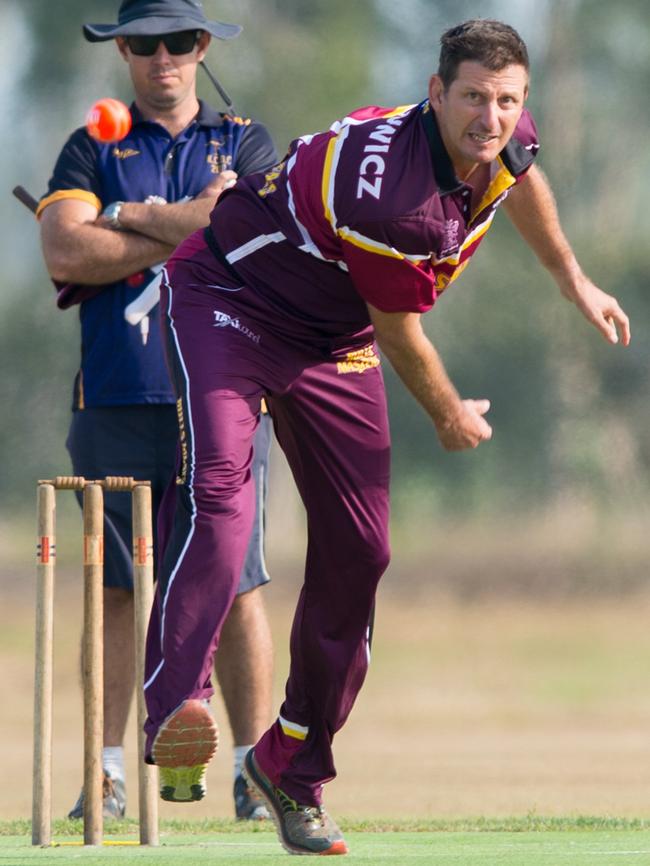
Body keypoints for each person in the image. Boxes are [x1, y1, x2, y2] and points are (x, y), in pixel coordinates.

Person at [141, 18, 630, 855]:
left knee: (361, 554)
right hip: (233, 301)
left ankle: (291, 767)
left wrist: (571, 278)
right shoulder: (394, 198)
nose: (493, 117)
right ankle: (176, 705)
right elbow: (400, 335)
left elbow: (521, 177)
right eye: (473, 97)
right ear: (435, 93)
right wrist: (449, 415)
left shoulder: (507, 134)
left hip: (333, 341)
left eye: (508, 100)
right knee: (223, 492)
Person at [38, 0, 278, 822]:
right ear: (125, 51)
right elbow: (67, 250)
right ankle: (105, 775)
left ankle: (255, 771)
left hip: (226, 398)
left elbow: (244, 231)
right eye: (145, 43)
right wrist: (186, 224)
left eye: (179, 42)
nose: (163, 58)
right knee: (110, 590)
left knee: (240, 587)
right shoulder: (91, 144)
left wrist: (127, 217)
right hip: (115, 395)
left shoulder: (243, 141)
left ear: (202, 46)